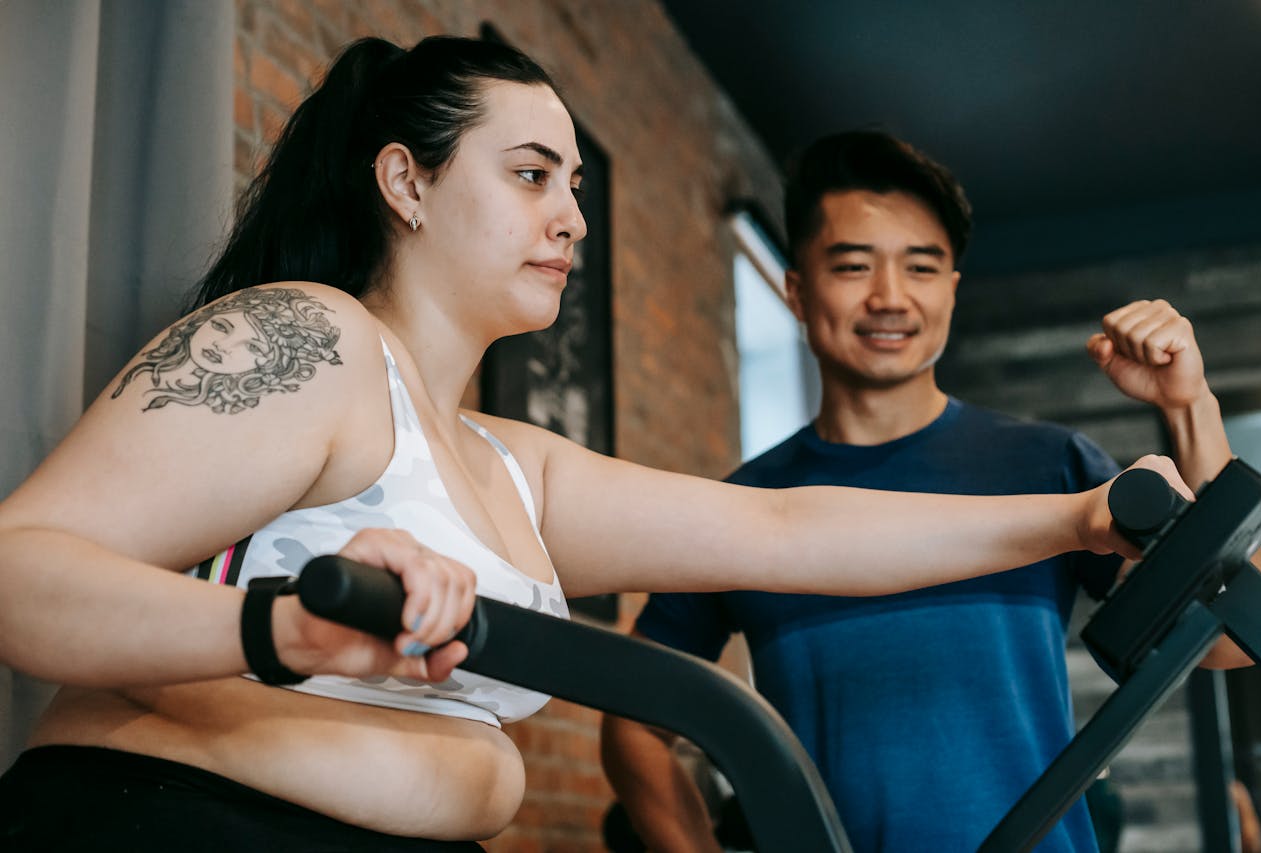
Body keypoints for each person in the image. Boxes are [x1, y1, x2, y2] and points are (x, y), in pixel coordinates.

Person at [0, 38, 1177, 851]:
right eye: (529, 176)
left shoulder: (515, 463)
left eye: (571, 181)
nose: (570, 216)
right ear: (405, 182)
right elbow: (21, 568)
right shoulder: (310, 338)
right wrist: (276, 627)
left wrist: (1072, 517)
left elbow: (782, 525)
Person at [600, 131, 1248, 852]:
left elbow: (1227, 642)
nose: (890, 298)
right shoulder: (749, 507)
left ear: (950, 289)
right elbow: (635, 717)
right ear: (796, 289)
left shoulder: (1049, 466)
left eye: (921, 267)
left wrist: (1189, 407)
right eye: (852, 265)